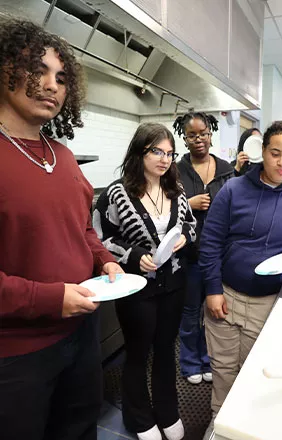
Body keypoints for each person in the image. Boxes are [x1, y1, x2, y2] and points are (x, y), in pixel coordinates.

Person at [0, 18, 123, 440]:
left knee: (79, 429)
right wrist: (51, 298)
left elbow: (82, 229)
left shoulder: (64, 156)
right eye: (38, 69)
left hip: (81, 332)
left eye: (61, 76)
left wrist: (105, 260)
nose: (52, 84)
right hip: (15, 353)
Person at [199, 121, 282, 417]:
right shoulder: (233, 189)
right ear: (263, 152)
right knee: (223, 368)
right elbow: (211, 243)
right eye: (275, 153)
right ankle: (219, 423)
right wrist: (213, 289)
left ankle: (247, 423)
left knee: (256, 371)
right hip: (226, 298)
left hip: (271, 303)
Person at [93, 123, 196, 440]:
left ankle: (167, 412)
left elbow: (191, 227)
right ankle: (138, 417)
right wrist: (134, 254)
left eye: (169, 153)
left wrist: (183, 240)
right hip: (137, 289)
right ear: (140, 152)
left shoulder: (177, 192)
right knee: (137, 352)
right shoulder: (116, 193)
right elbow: (100, 238)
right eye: (157, 151)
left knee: (166, 350)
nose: (165, 159)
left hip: (174, 285)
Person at [173, 112, 234, 385]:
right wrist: (189, 203)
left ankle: (210, 360)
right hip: (188, 255)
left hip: (219, 257)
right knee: (188, 313)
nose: (199, 139)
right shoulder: (175, 170)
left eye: (204, 133)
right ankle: (189, 363)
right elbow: (161, 207)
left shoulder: (226, 169)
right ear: (184, 139)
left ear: (211, 134)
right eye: (192, 135)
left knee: (215, 312)